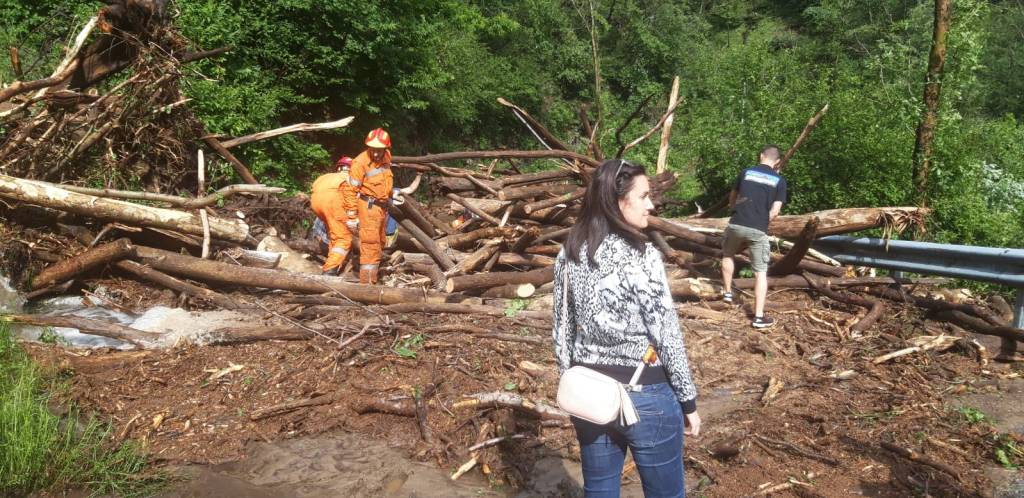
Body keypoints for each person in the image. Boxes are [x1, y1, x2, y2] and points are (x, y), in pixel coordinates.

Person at [553, 158, 700, 498]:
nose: (651, 205)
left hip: (590, 393)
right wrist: (688, 401)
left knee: (599, 490)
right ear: (619, 201)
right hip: (646, 394)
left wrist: (571, 379)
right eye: (644, 196)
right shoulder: (642, 255)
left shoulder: (570, 252)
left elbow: (562, 331)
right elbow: (666, 333)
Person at [720, 144, 788, 329]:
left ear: (761, 156)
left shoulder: (746, 172)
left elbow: (732, 197)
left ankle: (727, 293)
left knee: (728, 255)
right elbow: (775, 210)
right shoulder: (779, 180)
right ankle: (758, 317)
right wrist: (762, 221)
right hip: (758, 229)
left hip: (736, 223)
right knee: (760, 273)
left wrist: (734, 209)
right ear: (777, 161)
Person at [344, 128, 393, 284]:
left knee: (380, 242)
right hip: (368, 207)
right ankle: (367, 285)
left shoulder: (387, 156)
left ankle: (374, 278)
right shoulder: (360, 163)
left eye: (379, 150)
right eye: (373, 149)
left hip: (382, 208)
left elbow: (385, 180)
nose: (376, 153)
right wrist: (352, 216)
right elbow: (350, 190)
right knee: (370, 244)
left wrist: (392, 194)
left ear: (386, 148)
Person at [310, 156, 356, 275]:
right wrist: (353, 216)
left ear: (338, 167)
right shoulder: (350, 179)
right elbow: (352, 198)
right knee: (343, 239)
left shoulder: (325, 177)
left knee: (334, 235)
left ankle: (332, 260)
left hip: (317, 206)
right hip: (334, 205)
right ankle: (329, 271)